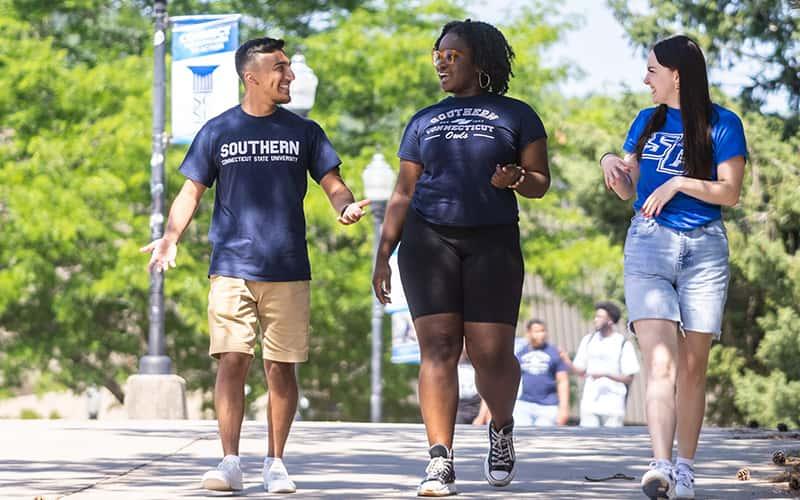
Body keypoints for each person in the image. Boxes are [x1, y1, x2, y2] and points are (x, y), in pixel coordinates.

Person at [140, 37, 368, 494]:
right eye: (280, 68)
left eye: (288, 67)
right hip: (231, 265)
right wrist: (170, 237)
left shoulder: (305, 131)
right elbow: (191, 191)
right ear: (252, 77)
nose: (291, 76)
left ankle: (276, 463)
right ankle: (229, 462)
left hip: (287, 267)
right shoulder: (218, 131)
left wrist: (343, 206)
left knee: (281, 368)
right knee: (232, 360)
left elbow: (332, 181)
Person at [371, 19, 550, 497]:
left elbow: (540, 182)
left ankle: (501, 427)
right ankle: (439, 459)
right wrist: (383, 252)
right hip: (428, 241)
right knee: (440, 349)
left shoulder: (517, 115)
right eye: (438, 55)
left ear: (480, 62)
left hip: (493, 241)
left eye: (452, 55)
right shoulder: (423, 120)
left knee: (489, 353)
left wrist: (514, 178)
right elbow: (403, 190)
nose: (442, 63)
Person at [599, 35, 747, 499]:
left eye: (652, 71)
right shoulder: (647, 120)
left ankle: (686, 467)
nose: (645, 79)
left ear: (676, 75)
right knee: (658, 362)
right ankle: (659, 464)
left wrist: (681, 182)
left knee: (692, 367)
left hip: (705, 251)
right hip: (649, 246)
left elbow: (730, 193)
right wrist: (610, 164)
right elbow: (628, 188)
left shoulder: (723, 123)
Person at [565, 302, 639, 428]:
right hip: (590, 403)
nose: (595, 320)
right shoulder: (589, 340)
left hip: (613, 405)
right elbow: (580, 370)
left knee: (612, 443)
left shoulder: (622, 343)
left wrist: (605, 375)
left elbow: (629, 378)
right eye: (596, 316)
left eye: (600, 317)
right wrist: (566, 361)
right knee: (588, 440)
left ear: (610, 321)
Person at [513, 319, 569, 427]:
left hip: (548, 406)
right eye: (537, 331)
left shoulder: (554, 352)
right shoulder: (520, 353)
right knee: (522, 437)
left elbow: (563, 381)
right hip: (524, 404)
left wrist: (564, 408)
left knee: (543, 439)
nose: (541, 335)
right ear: (528, 333)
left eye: (543, 331)